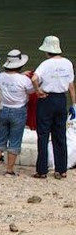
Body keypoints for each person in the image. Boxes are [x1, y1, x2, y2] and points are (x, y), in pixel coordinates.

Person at [31, 36, 75, 179]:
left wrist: (37, 90)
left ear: (47, 50)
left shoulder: (45, 64)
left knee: (43, 135)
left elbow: (34, 78)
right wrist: (73, 105)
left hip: (47, 99)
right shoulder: (68, 63)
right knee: (60, 135)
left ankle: (42, 170)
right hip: (61, 99)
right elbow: (71, 86)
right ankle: (61, 170)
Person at [0, 50, 34, 177]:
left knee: (0, 140)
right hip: (18, 110)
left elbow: (8, 80)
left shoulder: (1, 76)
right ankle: (9, 170)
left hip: (4, 109)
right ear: (20, 65)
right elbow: (31, 91)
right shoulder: (24, 80)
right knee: (14, 141)